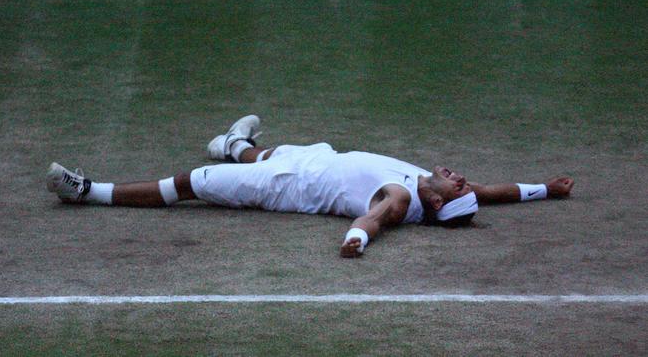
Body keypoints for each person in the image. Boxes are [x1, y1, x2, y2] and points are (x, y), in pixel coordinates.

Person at [46, 115, 574, 257]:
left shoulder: (405, 197)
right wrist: (545, 189)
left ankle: (88, 190)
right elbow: (495, 193)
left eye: (457, 187)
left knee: (190, 184)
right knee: (268, 150)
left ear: (436, 201)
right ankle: (234, 143)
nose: (463, 178)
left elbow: (375, 217)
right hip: (316, 160)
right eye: (464, 184)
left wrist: (357, 239)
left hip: (287, 187)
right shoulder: (437, 191)